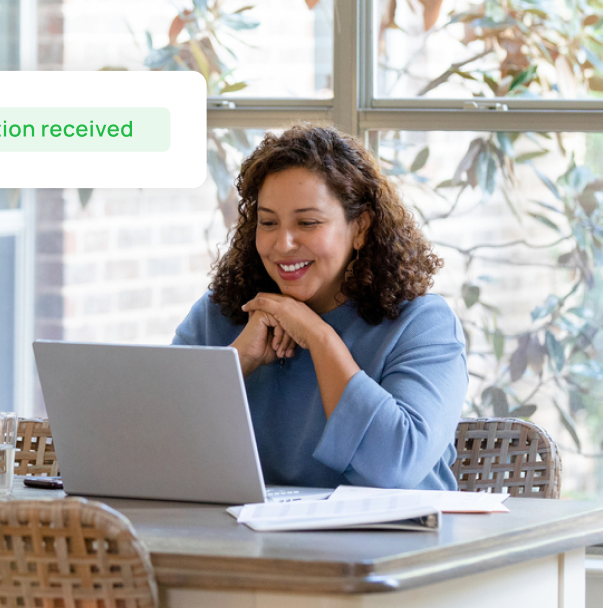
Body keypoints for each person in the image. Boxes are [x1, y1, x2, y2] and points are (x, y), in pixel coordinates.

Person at [172, 124, 468, 491]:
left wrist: (320, 337)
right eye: (267, 223)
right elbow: (151, 445)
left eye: (307, 223)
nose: (282, 244)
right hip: (244, 544)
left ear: (360, 227)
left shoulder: (423, 326)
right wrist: (237, 362)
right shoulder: (223, 313)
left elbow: (396, 466)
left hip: (393, 544)